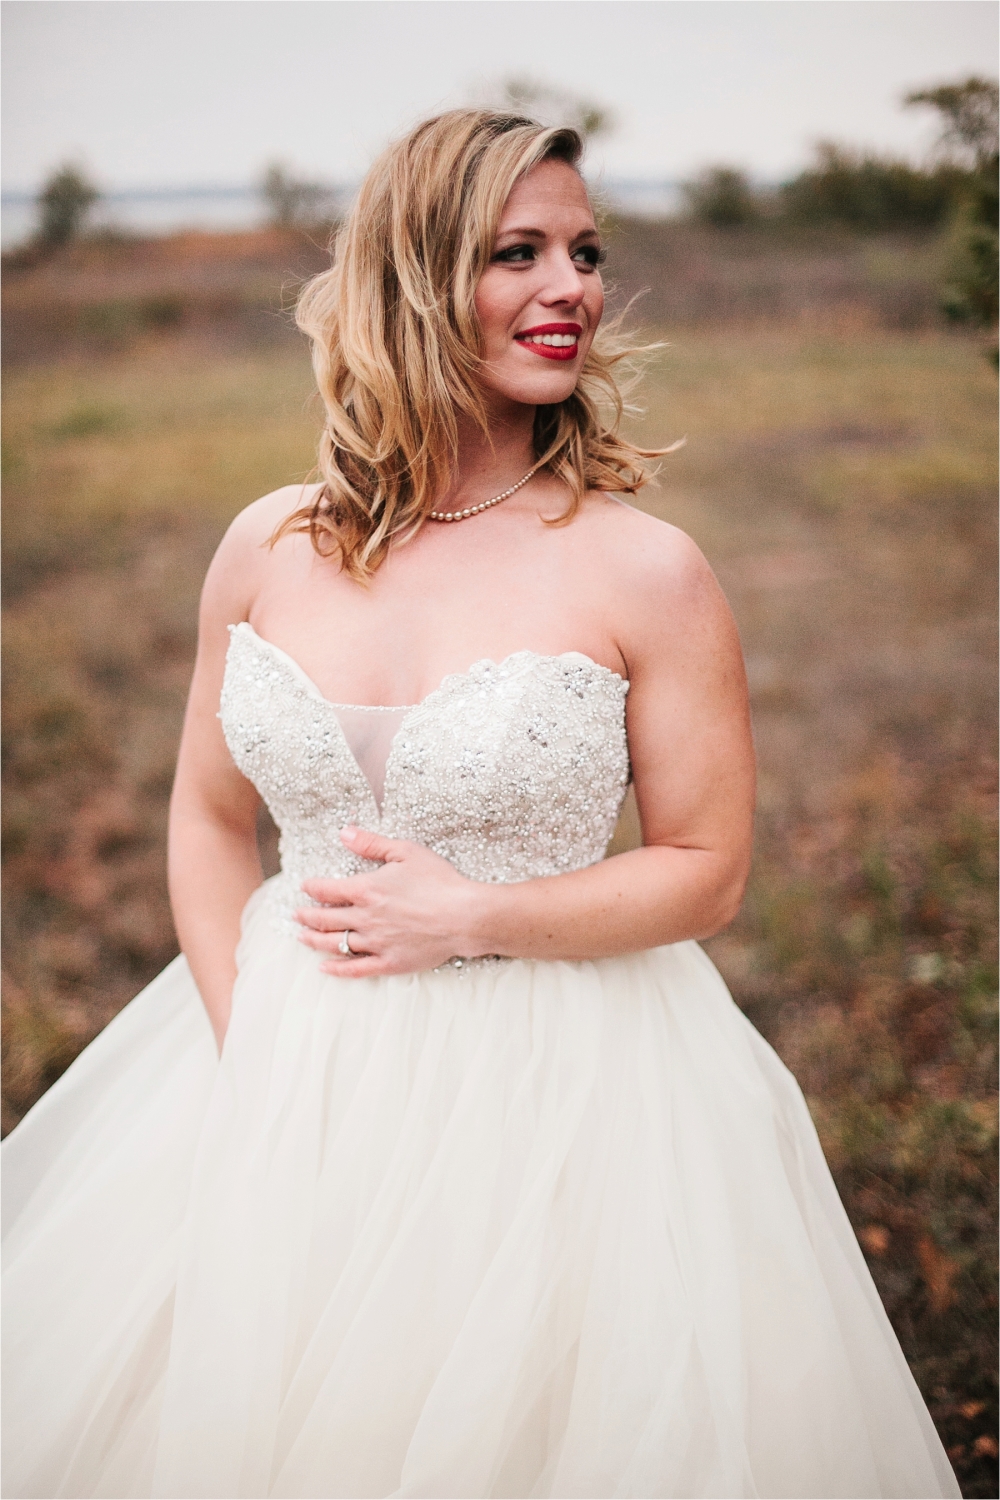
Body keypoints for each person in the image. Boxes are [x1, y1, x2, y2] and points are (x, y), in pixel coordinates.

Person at [2, 110, 959, 1500]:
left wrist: (474, 917)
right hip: (281, 1061)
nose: (574, 287)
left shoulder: (647, 569)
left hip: (564, 1083)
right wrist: (248, 1037)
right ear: (412, 274)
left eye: (586, 253)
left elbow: (708, 866)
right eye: (521, 253)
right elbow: (207, 819)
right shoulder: (267, 545)